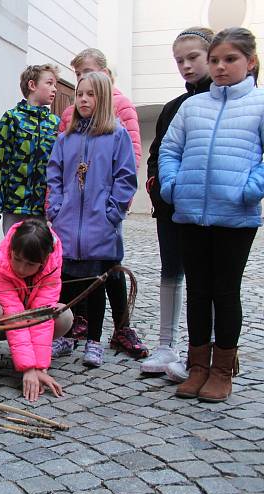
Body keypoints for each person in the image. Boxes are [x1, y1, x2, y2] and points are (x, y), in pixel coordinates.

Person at [158, 27, 264, 402]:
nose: (220, 67)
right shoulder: (192, 106)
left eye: (230, 59)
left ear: (249, 62)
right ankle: (197, 365)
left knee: (225, 291)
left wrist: (249, 189)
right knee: (199, 293)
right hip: (190, 214)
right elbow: (169, 150)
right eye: (216, 60)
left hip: (235, 217)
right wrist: (173, 186)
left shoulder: (259, 103)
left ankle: (222, 370)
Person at [58, 48, 148, 358]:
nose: (82, 98)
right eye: (79, 92)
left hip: (100, 221)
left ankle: (96, 340)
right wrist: (55, 209)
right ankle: (67, 334)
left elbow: (125, 174)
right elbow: (55, 174)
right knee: (68, 282)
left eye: (90, 94)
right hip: (69, 223)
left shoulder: (117, 134)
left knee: (99, 281)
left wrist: (113, 211)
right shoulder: (66, 137)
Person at [141, 27, 215, 380]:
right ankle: (166, 344)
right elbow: (158, 154)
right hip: (172, 207)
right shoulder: (174, 107)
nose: (185, 66)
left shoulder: (224, 101)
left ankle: (204, 349)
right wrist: (161, 190)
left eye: (192, 58)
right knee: (171, 272)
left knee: (208, 279)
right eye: (179, 60)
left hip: (209, 207)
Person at [0, 218, 73, 401]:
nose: (21, 269)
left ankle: (38, 354)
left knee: (63, 314)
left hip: (28, 315)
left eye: (30, 265)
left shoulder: (52, 265)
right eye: (17, 259)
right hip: (3, 316)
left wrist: (40, 368)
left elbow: (42, 316)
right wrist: (28, 368)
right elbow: (14, 315)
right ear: (12, 249)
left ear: (43, 261)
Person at [0, 64, 61, 234]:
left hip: (44, 209)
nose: (54, 89)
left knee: (41, 257)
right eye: (49, 83)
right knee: (14, 255)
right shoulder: (12, 118)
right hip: (15, 206)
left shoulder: (55, 123)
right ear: (32, 85)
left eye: (55, 85)